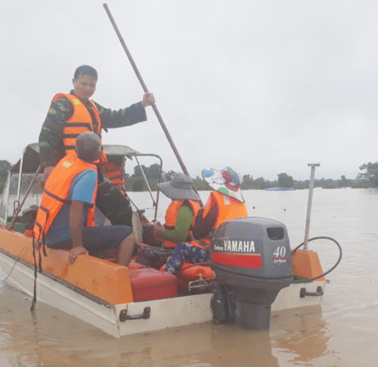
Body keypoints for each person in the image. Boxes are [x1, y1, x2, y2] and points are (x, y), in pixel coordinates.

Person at [38, 64, 155, 226]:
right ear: (74, 82)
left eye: (91, 85)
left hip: (92, 170)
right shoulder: (63, 105)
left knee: (120, 206)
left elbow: (115, 117)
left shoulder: (93, 107)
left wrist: (141, 105)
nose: (87, 88)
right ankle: (74, 243)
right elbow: (47, 135)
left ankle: (121, 242)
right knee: (75, 208)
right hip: (69, 171)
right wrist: (48, 165)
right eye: (83, 84)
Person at [33, 132, 137, 266]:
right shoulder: (88, 173)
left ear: (75, 150)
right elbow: (75, 211)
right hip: (63, 237)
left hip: (47, 234)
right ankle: (119, 277)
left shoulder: (66, 162)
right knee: (128, 235)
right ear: (99, 153)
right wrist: (77, 246)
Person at [163, 167, 248, 275]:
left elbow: (198, 233)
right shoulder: (241, 203)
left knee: (181, 247)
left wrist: (199, 216)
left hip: (215, 255)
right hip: (233, 254)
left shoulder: (217, 198)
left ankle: (167, 276)